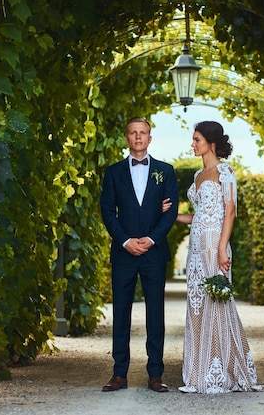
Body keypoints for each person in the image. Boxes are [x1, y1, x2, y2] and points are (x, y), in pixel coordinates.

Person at [169, 120, 264, 393]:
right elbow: (197, 216)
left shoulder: (226, 171)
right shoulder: (198, 176)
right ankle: (198, 376)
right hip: (196, 247)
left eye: (197, 139)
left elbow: (230, 211)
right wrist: (172, 215)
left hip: (215, 246)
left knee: (218, 303)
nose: (193, 144)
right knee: (196, 306)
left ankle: (225, 372)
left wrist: (223, 248)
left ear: (211, 143)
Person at [99, 117, 179, 393]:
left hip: (154, 254)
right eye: (133, 132)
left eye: (142, 132)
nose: (137, 137)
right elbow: (107, 210)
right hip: (123, 253)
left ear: (149, 138)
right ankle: (119, 373)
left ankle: (155, 374)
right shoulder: (113, 172)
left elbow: (171, 213)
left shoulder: (165, 172)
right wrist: (125, 241)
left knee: (155, 313)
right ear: (126, 138)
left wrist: (151, 239)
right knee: (121, 312)